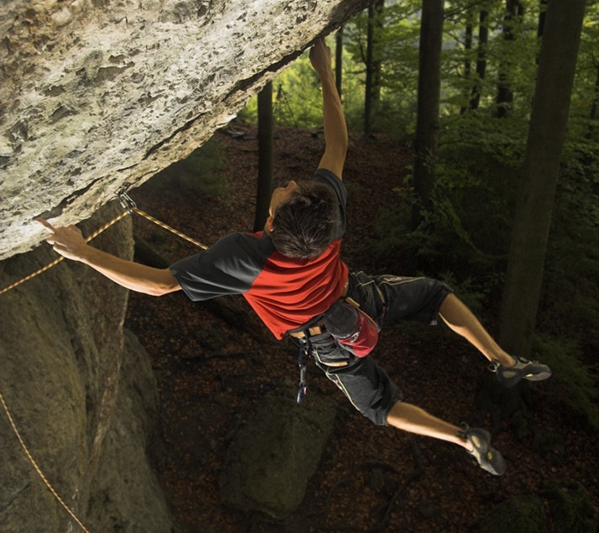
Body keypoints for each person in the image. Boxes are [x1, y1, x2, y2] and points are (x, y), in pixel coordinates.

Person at [39, 38, 551, 476]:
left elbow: (160, 283)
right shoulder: (327, 216)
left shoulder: (246, 257)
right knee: (435, 298)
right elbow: (338, 145)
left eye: (283, 191)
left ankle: (462, 438)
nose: (286, 183)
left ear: (271, 227)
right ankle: (502, 361)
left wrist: (83, 253)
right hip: (358, 297)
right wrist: (326, 76)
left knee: (380, 405)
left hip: (329, 340)